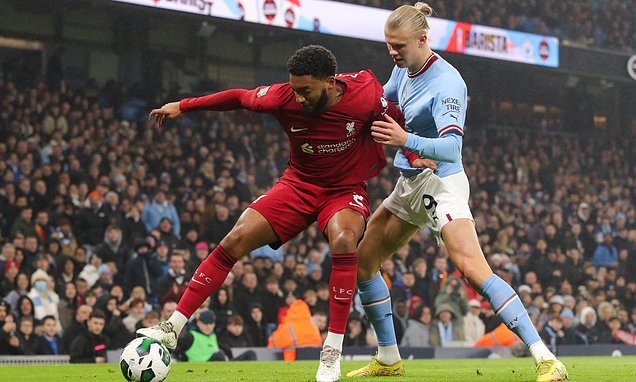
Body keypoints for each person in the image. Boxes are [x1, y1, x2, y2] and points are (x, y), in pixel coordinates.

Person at [138, 44, 406, 382]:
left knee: (344, 239)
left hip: (344, 190)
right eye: (295, 90)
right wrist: (182, 106)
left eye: (306, 91)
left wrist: (418, 149)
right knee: (235, 239)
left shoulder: (365, 92)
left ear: (329, 81)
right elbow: (238, 97)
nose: (300, 98)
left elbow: (398, 118)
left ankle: (331, 352)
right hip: (298, 185)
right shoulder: (282, 97)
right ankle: (171, 328)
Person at [346, 3, 567, 381]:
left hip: (443, 183)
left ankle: (546, 358)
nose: (392, 52)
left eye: (399, 45)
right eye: (388, 44)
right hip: (411, 181)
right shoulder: (403, 69)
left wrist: (404, 139)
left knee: (472, 269)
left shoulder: (447, 83)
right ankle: (388, 358)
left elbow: (451, 149)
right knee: (363, 259)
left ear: (422, 39)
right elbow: (382, 103)